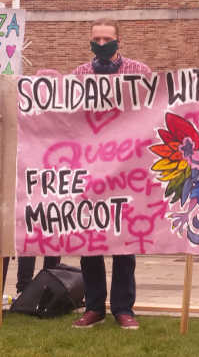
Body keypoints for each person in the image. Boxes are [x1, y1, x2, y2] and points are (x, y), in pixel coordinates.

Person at [71, 18, 151, 330]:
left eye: (107, 38)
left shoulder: (139, 72)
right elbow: (58, 113)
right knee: (89, 237)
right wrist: (14, 108)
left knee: (123, 239)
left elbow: (154, 108)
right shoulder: (79, 74)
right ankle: (94, 307)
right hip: (90, 166)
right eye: (97, 39)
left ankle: (122, 308)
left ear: (119, 40)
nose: (102, 44)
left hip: (126, 168)